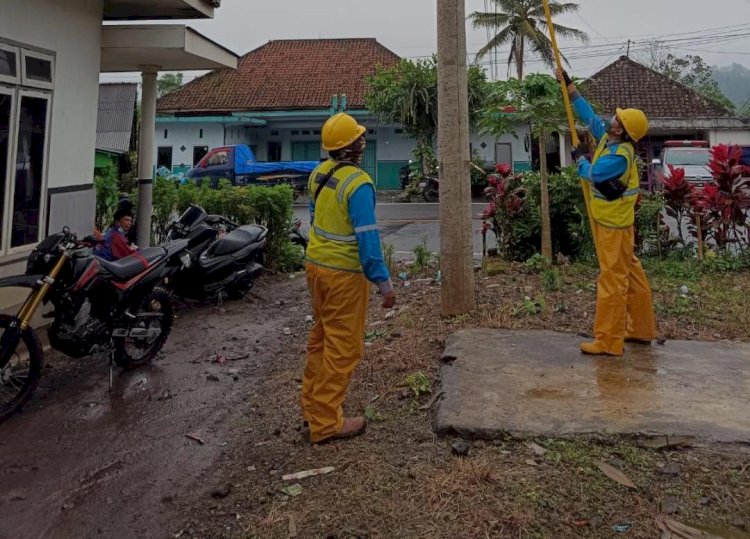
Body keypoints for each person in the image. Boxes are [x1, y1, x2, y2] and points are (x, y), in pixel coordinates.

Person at [301, 112, 396, 443]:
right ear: (353, 146)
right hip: (343, 276)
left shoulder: (318, 174)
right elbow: (367, 239)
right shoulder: (358, 184)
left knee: (321, 339)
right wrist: (383, 283)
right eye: (359, 137)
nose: (362, 140)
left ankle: (313, 410)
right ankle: (326, 424)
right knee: (343, 348)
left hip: (315, 269)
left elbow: (316, 221)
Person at [558, 69, 657, 356]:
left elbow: (595, 174)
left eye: (617, 118)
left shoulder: (619, 156)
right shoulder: (608, 139)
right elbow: (589, 117)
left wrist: (579, 161)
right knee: (631, 273)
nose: (612, 118)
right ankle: (639, 329)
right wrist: (570, 87)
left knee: (612, 280)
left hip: (613, 226)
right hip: (617, 223)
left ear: (620, 129)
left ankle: (608, 341)